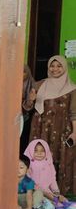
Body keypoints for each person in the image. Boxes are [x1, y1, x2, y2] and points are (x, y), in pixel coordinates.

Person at [29, 55, 76, 195]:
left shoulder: (73, 88)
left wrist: (75, 132)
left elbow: (74, 112)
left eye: (59, 66)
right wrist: (31, 100)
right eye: (52, 66)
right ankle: (39, 189)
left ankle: (59, 192)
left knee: (61, 157)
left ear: (64, 67)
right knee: (39, 156)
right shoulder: (39, 84)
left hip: (62, 128)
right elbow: (26, 107)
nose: (55, 69)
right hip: (41, 127)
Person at [24, 139, 68, 204]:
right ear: (31, 151)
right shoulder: (28, 165)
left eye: (42, 151)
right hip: (33, 191)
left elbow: (52, 180)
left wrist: (56, 193)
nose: (39, 153)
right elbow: (27, 180)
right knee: (40, 198)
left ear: (47, 152)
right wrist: (41, 191)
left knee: (62, 201)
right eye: (35, 150)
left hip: (47, 192)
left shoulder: (49, 165)